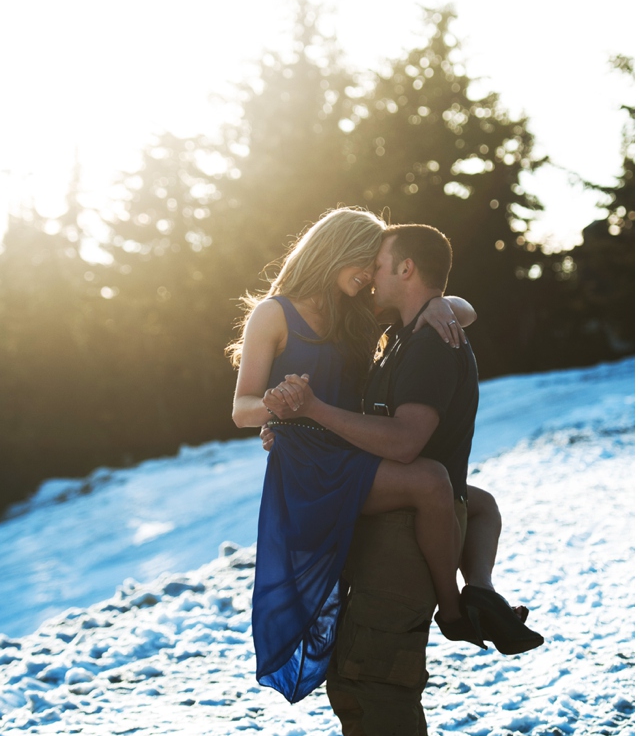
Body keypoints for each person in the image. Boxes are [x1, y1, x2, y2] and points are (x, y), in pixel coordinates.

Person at [264, 222, 542, 736]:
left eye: (383, 266)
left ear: (409, 270)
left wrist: (316, 412)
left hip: (408, 538)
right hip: (404, 529)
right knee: (382, 678)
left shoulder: (427, 349)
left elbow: (405, 441)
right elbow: (449, 311)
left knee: (371, 678)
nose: (373, 276)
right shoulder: (416, 335)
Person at [230, 209, 540, 709]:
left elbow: (459, 309)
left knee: (475, 503)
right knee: (430, 482)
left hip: (353, 448)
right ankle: (453, 609)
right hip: (312, 464)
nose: (370, 274)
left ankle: (480, 590)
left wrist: (441, 302)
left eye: (377, 265)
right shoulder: (275, 314)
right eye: (364, 262)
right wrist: (278, 406)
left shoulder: (355, 312)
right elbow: (240, 408)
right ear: (335, 251)